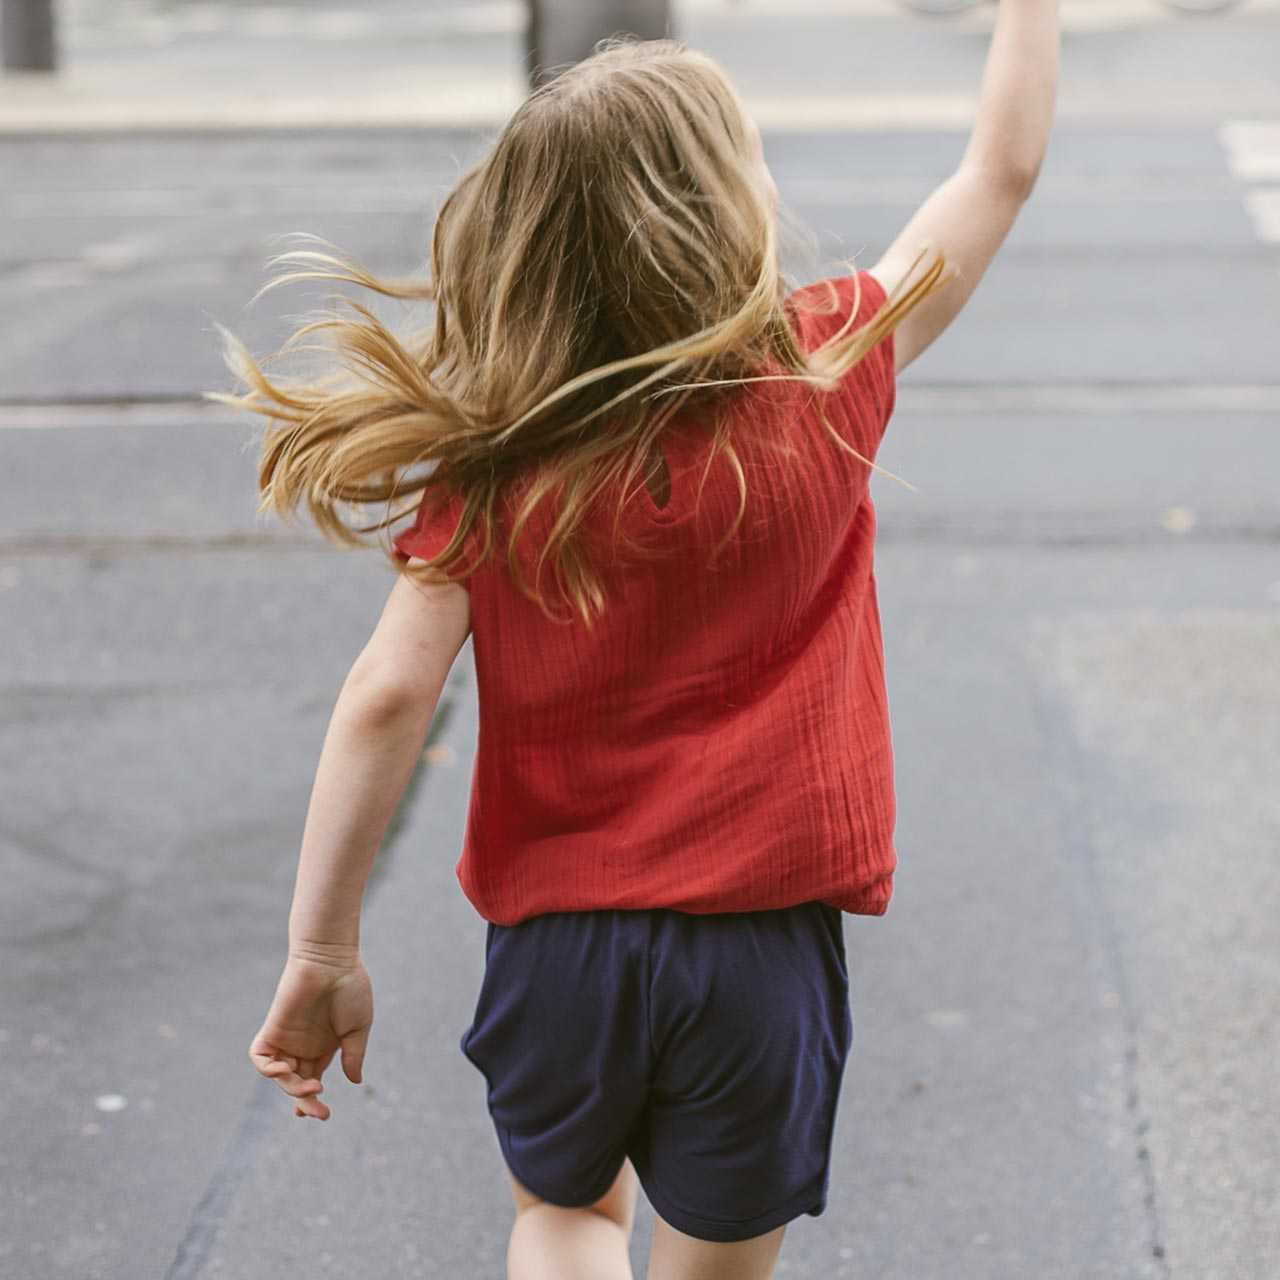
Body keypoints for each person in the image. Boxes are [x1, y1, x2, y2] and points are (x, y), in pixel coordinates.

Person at [217, 6, 1059, 1277]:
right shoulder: (823, 368)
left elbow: (388, 696)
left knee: (564, 1217)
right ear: (723, 211)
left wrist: (322, 948)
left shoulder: (498, 459)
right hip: (756, 945)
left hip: (560, 944)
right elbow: (997, 170)